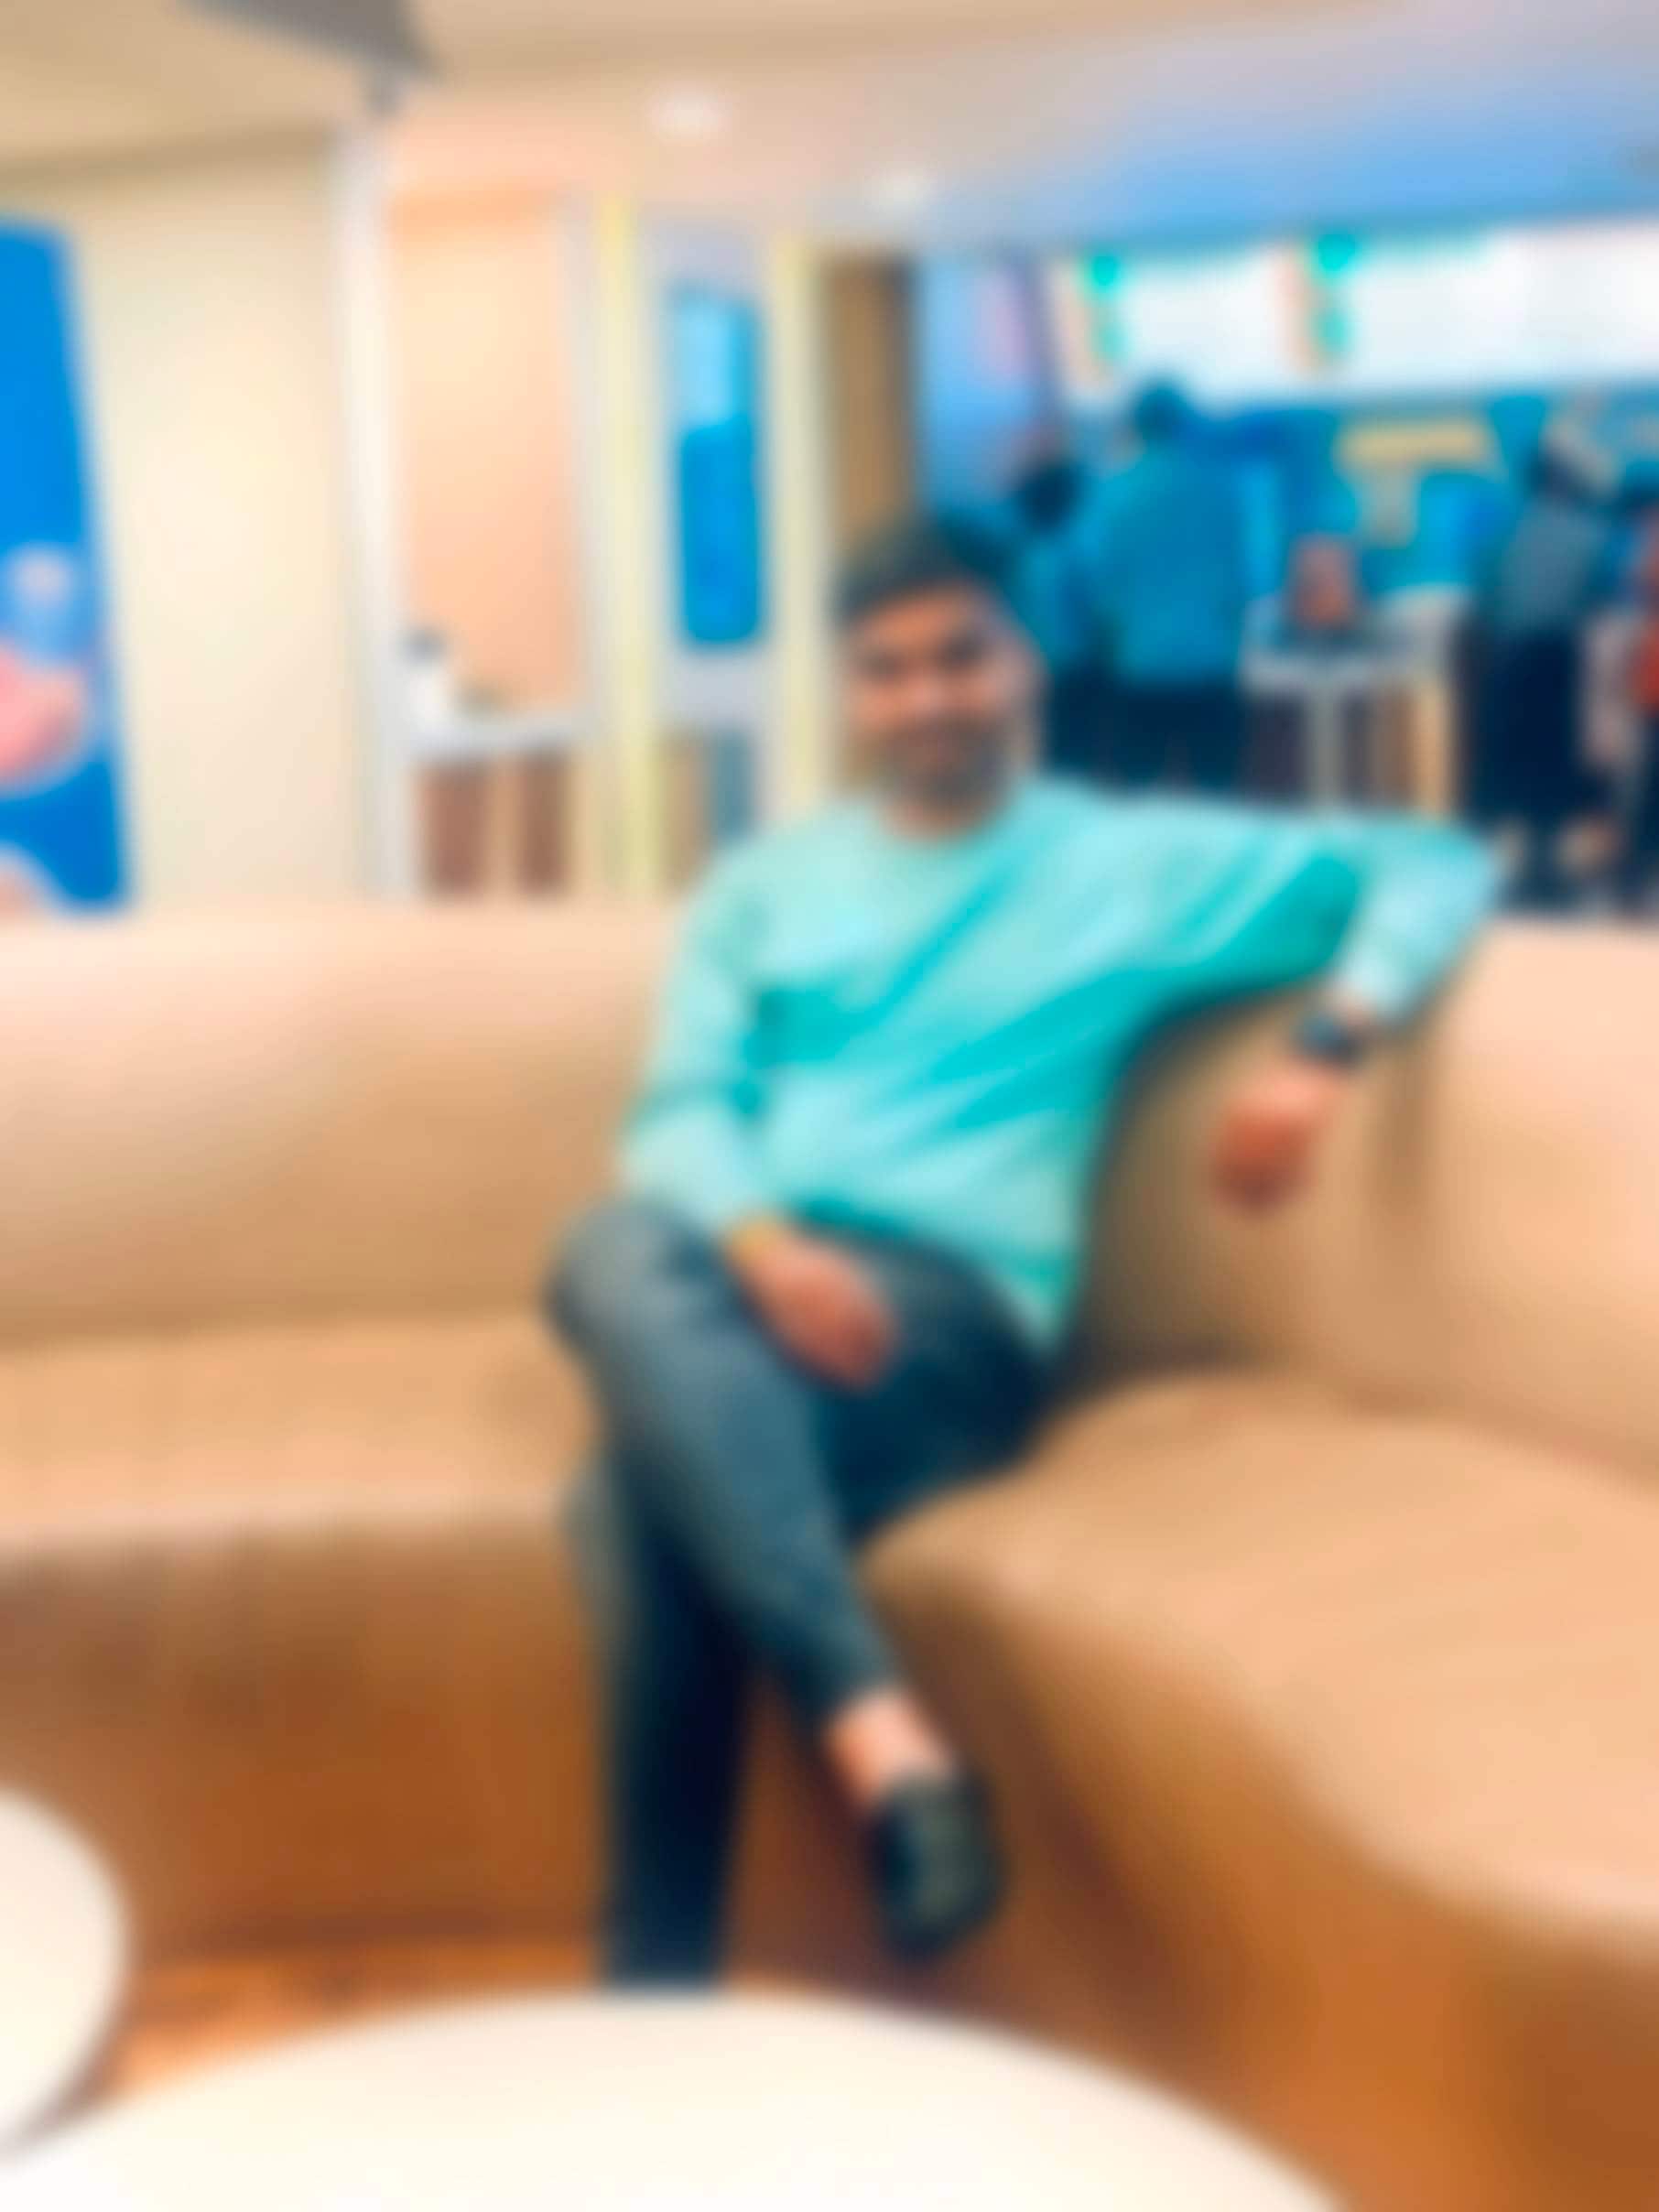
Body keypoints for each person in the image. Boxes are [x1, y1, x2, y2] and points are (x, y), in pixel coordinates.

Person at [547, 515, 1494, 1989]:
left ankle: (653, 1998)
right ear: (850, 692)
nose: (927, 697)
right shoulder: (766, 884)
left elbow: (1433, 860)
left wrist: (1326, 1049)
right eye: (887, 670)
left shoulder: (1132, 863)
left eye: (961, 657)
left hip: (943, 1322)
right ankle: (889, 1750)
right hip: (743, 1276)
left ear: (1028, 660)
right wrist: (768, 1252)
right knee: (607, 1246)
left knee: (636, 1492)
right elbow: (679, 1110)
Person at [1472, 441, 1615, 908]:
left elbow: (1486, 601)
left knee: (1511, 764)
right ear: (1563, 481)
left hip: (1510, 659)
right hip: (1560, 660)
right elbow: (1599, 599)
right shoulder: (1588, 533)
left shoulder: (1504, 532)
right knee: (1553, 764)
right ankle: (1545, 868)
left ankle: (1502, 871)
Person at [1092, 382, 1250, 790]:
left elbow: (1102, 590)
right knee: (1217, 794)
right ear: (1184, 423)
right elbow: (1237, 584)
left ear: (1135, 427)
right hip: (1209, 664)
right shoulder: (1220, 488)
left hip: (1140, 668)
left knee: (1139, 795)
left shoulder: (1113, 493)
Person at [1004, 436, 1110, 780]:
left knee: (1048, 758)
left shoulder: (1024, 556)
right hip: (1073, 671)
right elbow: (1095, 615)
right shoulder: (1070, 553)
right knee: (1074, 760)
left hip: (1037, 668)